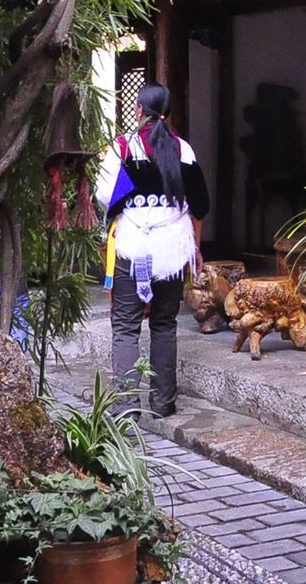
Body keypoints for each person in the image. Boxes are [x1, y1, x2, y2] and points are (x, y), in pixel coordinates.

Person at [96, 82, 209, 418]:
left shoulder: (122, 148)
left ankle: (126, 407)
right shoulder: (183, 150)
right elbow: (200, 205)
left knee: (126, 326)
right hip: (173, 247)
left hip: (133, 246)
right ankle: (163, 403)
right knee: (164, 324)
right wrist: (196, 247)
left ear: (139, 111)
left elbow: (105, 197)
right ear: (168, 113)